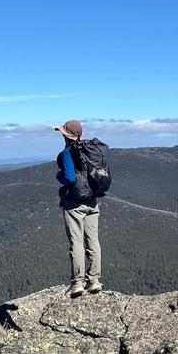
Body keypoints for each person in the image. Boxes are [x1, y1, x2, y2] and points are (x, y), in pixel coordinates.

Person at [54, 119, 102, 297]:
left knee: (76, 243)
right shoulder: (90, 149)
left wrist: (59, 177)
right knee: (93, 241)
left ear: (65, 135)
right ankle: (95, 280)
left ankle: (77, 284)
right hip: (92, 201)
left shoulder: (67, 152)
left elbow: (69, 178)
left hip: (74, 204)